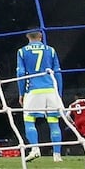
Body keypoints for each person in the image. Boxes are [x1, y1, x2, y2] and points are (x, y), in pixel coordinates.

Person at [17, 30, 64, 162]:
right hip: (51, 90)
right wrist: (59, 93)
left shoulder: (22, 51)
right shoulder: (51, 50)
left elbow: (21, 73)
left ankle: (35, 149)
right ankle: (57, 155)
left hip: (34, 90)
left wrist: (21, 93)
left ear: (27, 36)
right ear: (41, 36)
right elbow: (58, 73)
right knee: (54, 122)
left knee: (29, 120)